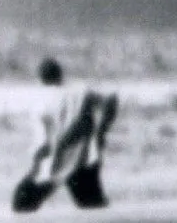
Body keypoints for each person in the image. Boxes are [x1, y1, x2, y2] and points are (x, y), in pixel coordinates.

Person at [10, 58, 115, 211]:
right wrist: (101, 132)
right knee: (93, 206)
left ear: (40, 78)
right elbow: (110, 101)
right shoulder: (81, 92)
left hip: (56, 161)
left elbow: (42, 143)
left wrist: (35, 165)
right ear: (60, 73)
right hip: (85, 159)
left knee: (22, 203)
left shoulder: (40, 103)